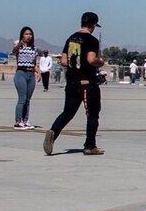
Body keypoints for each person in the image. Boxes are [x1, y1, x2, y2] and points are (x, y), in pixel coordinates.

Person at [43, 11, 105, 156]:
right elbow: (91, 59)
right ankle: (90, 146)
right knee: (92, 115)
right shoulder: (92, 40)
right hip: (87, 83)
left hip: (71, 82)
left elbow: (64, 61)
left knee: (68, 112)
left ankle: (53, 132)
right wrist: (100, 62)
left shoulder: (71, 38)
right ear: (94, 25)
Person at [11, 26, 40, 129]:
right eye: (26, 34)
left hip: (31, 74)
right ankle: (18, 121)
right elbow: (13, 51)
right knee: (22, 98)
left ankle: (26, 120)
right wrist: (20, 44)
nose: (29, 36)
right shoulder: (18, 46)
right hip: (21, 73)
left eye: (30, 34)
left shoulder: (34, 48)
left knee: (28, 99)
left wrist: (38, 72)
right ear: (22, 35)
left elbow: (34, 63)